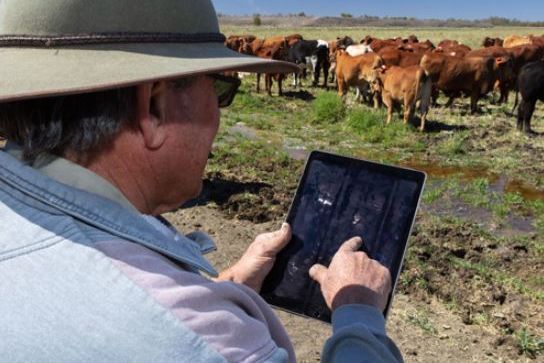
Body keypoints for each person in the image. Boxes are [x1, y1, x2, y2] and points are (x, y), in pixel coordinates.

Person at [0, 0, 403, 362]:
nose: (220, 117)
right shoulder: (215, 345)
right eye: (221, 90)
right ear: (155, 108)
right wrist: (359, 313)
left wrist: (227, 285)